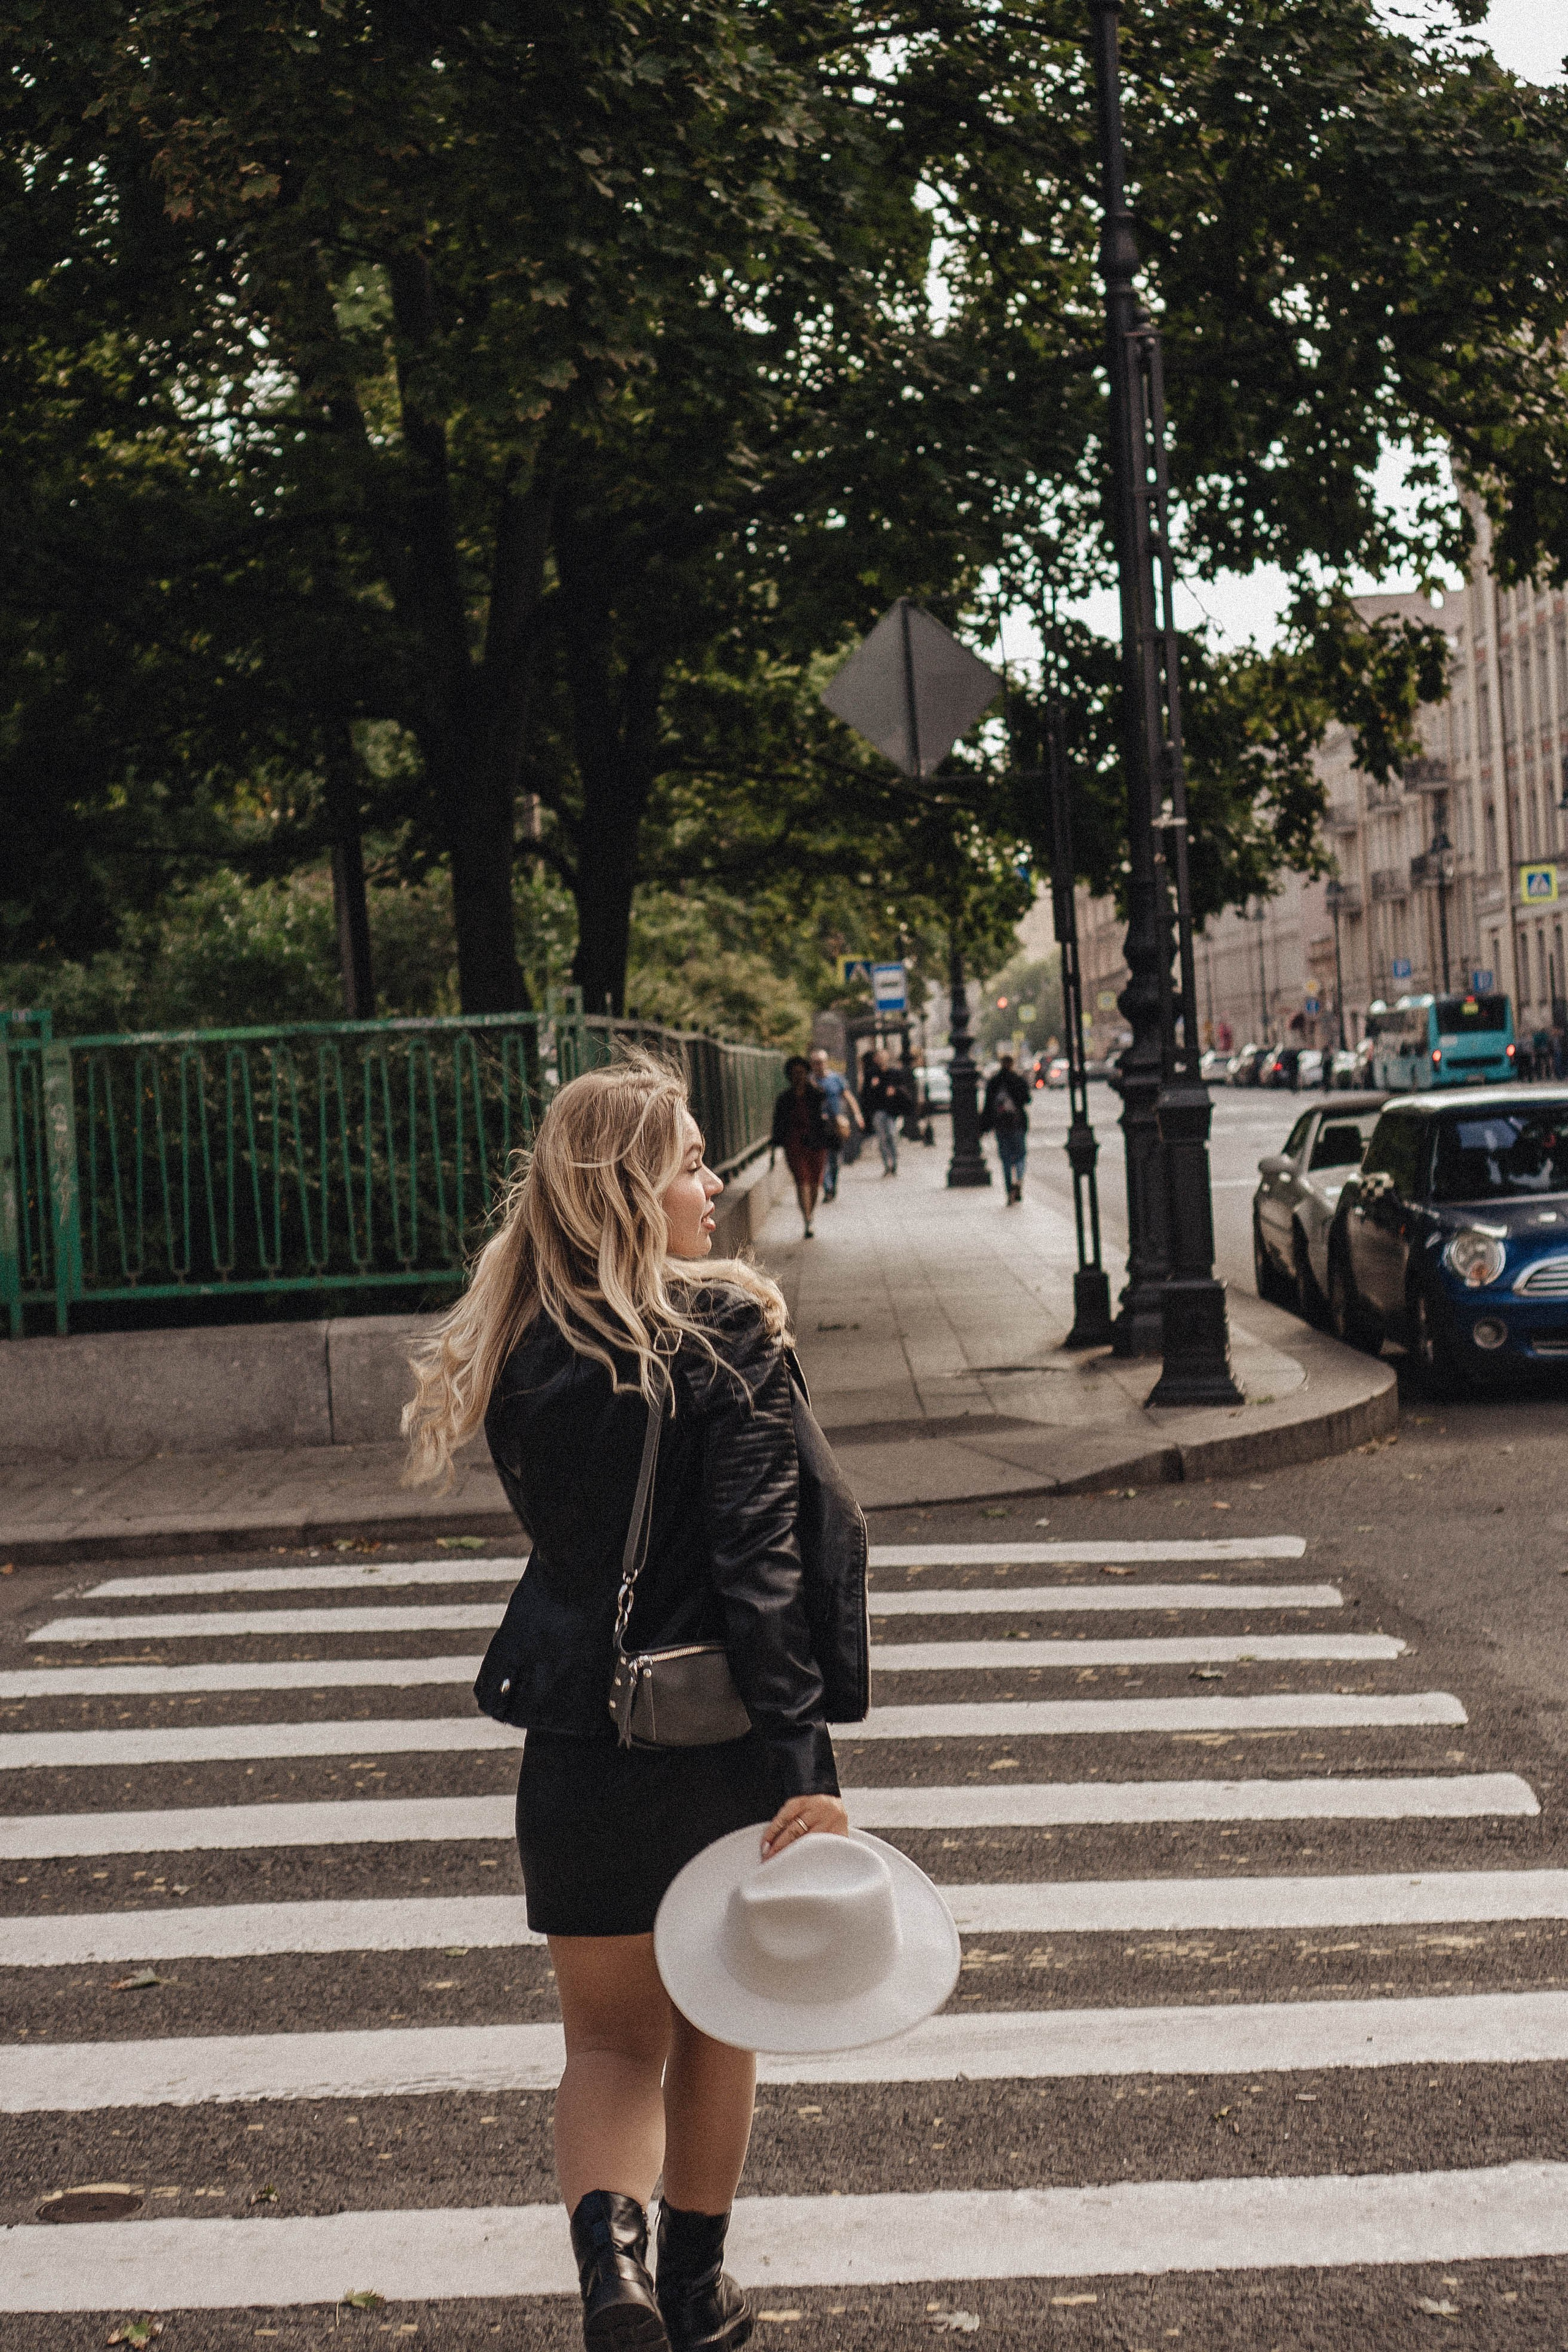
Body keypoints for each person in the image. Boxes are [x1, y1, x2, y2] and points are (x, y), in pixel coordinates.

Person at [403, 1052, 848, 2352]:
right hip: (714, 1752)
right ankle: (698, 2292)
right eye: (692, 1164)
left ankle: (617, 2289)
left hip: (578, 1744)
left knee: (605, 2047)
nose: (713, 1185)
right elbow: (759, 1577)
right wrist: (804, 1763)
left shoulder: (526, 1346)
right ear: (630, 1190)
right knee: (721, 2023)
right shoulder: (732, 1337)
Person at [770, 1054, 832, 1236]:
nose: (798, 1076)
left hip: (816, 1143)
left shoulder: (817, 1094)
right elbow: (778, 1124)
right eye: (795, 1073)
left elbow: (826, 1116)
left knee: (815, 1183)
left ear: (807, 1073)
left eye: (802, 1072)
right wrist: (774, 1148)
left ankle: (810, 1214)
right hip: (794, 1144)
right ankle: (807, 1220)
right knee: (802, 1180)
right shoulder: (784, 1099)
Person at [809, 1046, 862, 1200]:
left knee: (835, 1159)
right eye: (816, 1062)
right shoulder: (810, 1081)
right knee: (822, 1158)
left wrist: (858, 1115)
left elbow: (848, 1096)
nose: (820, 1065)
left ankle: (833, 1184)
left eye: (822, 1062)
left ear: (826, 1062)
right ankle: (828, 1188)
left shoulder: (836, 1079)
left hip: (835, 1124)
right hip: (818, 1125)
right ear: (812, 1064)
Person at [982, 1050, 1031, 1203]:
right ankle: (1019, 1182)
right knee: (1021, 1156)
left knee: (1006, 1160)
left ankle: (1009, 1190)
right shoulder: (1018, 1080)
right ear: (1012, 1064)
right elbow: (1027, 1099)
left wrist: (984, 1126)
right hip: (1017, 1124)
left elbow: (987, 1106)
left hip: (1001, 1126)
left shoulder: (994, 1082)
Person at [861, 1048, 913, 1176]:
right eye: (879, 1057)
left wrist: (895, 1091)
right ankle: (887, 1165)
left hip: (892, 1111)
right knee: (882, 1138)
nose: (881, 1060)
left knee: (891, 1135)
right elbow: (865, 1093)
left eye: (883, 1057)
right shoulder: (871, 1074)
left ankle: (894, 1163)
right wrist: (873, 1087)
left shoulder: (894, 1073)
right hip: (878, 1111)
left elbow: (903, 1089)